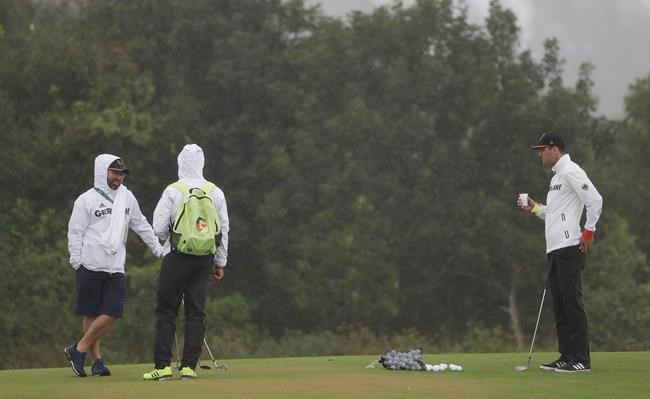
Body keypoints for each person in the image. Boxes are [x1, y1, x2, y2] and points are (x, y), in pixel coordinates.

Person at [65, 154, 164, 377]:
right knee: (91, 313)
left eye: (121, 174)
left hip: (115, 266)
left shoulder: (127, 198)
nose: (118, 177)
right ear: (103, 172)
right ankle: (97, 361)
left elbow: (141, 225)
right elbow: (75, 232)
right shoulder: (85, 200)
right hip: (89, 264)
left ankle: (78, 349)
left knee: (113, 311)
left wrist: (158, 249)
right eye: (114, 173)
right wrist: (76, 260)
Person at [517, 133, 603, 373]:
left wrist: (589, 231)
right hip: (555, 248)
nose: (539, 154)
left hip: (569, 247)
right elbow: (553, 214)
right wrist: (534, 208)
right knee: (561, 304)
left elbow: (595, 200)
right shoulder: (556, 177)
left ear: (555, 149)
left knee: (572, 302)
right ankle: (567, 356)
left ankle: (581, 360)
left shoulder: (570, 171)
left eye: (542, 149)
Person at [143, 144, 229, 381]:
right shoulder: (215, 191)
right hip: (204, 259)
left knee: (166, 311)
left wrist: (163, 241)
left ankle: (162, 367)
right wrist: (220, 262)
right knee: (196, 312)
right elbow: (223, 229)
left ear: (180, 163)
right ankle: (189, 366)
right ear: (202, 163)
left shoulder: (173, 190)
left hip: (177, 256)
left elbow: (159, 227)